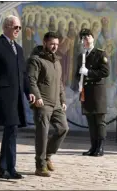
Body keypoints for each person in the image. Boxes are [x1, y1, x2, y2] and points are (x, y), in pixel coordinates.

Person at [0, 15, 35, 179]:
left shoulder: (18, 48)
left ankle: (1, 168)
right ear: (6, 27)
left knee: (11, 130)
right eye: (15, 27)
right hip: (3, 95)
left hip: (17, 96)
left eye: (19, 27)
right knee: (11, 129)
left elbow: (23, 74)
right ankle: (10, 168)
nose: (18, 30)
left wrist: (29, 91)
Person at [27, 32, 69, 177]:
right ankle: (40, 166)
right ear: (44, 43)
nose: (55, 47)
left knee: (63, 128)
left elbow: (60, 83)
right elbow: (31, 80)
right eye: (52, 44)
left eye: (57, 44)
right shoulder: (36, 59)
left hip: (56, 103)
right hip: (43, 103)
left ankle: (48, 155)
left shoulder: (56, 61)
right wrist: (37, 97)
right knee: (42, 134)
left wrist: (63, 100)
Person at [75, 28, 110, 157]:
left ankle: (100, 147)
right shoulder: (81, 57)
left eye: (88, 36)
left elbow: (105, 72)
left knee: (99, 121)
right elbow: (76, 75)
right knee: (90, 120)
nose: (86, 39)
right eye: (84, 38)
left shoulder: (101, 54)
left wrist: (88, 73)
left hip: (97, 92)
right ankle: (93, 146)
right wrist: (80, 77)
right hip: (87, 92)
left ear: (93, 38)